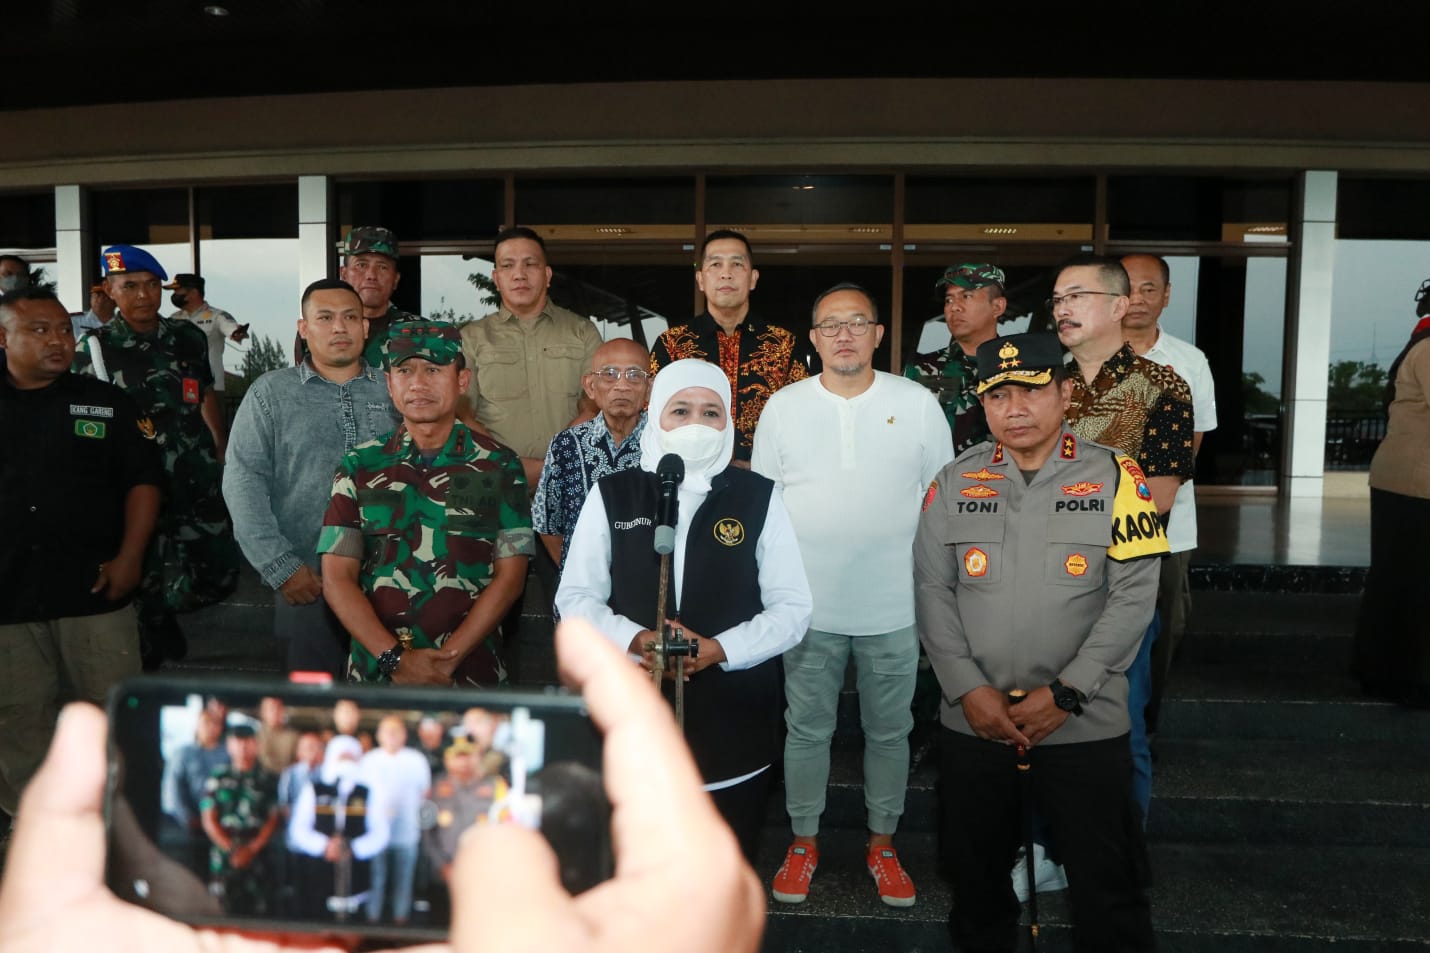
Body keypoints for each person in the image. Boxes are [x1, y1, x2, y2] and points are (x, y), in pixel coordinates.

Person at [0, 617, 765, 953]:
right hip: (310, 846)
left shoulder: (441, 763)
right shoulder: (318, 760)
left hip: (406, 845)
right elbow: (302, 806)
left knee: (403, 894)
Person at [913, 332, 1164, 953]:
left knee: (1109, 888)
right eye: (998, 395)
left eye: (1030, 390)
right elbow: (932, 589)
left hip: (1083, 725)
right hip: (977, 724)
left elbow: (1134, 597)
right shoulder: (955, 479)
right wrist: (967, 689)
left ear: (1066, 392)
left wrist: (1069, 692)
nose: (1015, 408)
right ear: (983, 403)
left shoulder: (1116, 475)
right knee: (975, 884)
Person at [556, 358, 812, 864]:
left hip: (734, 720)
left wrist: (721, 649)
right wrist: (634, 640)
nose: (696, 424)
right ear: (655, 416)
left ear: (729, 421)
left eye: (711, 413)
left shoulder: (759, 496)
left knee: (725, 869)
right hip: (633, 715)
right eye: (681, 410)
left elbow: (792, 607)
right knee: (639, 870)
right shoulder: (614, 493)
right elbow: (576, 597)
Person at [752, 283, 953, 908]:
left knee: (890, 732)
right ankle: (803, 842)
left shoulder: (917, 403)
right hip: (808, 609)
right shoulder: (783, 407)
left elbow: (940, 502)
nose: (845, 335)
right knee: (806, 729)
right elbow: (766, 510)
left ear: (878, 335)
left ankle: (882, 844)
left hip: (894, 606)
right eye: (831, 325)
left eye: (857, 323)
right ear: (813, 338)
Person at [0, 287, 161, 817]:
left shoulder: (107, 403)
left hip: (93, 591)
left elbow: (143, 483)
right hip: (8, 598)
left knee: (110, 712)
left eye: (64, 330)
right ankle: (30, 827)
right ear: (3, 338)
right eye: (39, 330)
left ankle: (117, 824)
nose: (58, 341)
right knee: (18, 718)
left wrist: (130, 558)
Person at [1053, 252, 1193, 825]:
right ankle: (1043, 847)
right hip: (1037, 591)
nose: (1063, 308)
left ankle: (1118, 855)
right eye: (1058, 299)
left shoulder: (1161, 387)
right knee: (1039, 731)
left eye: (1077, 296)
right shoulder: (1040, 382)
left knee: (1121, 730)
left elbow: (1156, 499)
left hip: (1117, 591)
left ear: (1118, 305)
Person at [319, 321, 535, 685]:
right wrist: (395, 660)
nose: (418, 384)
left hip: (470, 675)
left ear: (462, 381)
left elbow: (510, 577)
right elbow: (337, 577)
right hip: (377, 677)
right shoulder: (359, 466)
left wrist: (446, 662)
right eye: (405, 371)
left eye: (433, 370)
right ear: (389, 384)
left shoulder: (499, 465)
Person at [223, 278, 400, 679]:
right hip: (308, 583)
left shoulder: (395, 388)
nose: (339, 327)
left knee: (390, 704)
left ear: (365, 327)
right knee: (312, 706)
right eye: (325, 318)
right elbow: (243, 480)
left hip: (395, 582)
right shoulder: (271, 393)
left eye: (350, 318)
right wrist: (280, 566)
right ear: (304, 328)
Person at [73, 244, 240, 668]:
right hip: (132, 487)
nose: (144, 295)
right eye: (130, 286)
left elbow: (203, 392)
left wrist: (219, 443)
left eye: (151, 285)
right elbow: (84, 421)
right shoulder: (93, 349)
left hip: (193, 476)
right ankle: (146, 642)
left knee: (219, 574)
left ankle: (160, 610)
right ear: (110, 290)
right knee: (136, 578)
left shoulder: (187, 338)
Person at [1120, 253, 1218, 733]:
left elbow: (1190, 447)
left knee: (1165, 628)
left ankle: (1144, 728)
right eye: (1129, 288)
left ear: (1167, 295)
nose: (1138, 299)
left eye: (1149, 289)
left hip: (1167, 528)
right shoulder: (1078, 359)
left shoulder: (1189, 361)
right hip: (1090, 523)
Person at [459, 226, 603, 487]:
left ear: (547, 275)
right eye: (508, 265)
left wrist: (554, 463)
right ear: (496, 278)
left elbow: (594, 407)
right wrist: (511, 466)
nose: (519, 274)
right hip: (496, 483)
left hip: (569, 479)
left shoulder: (583, 332)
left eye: (530, 264)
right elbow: (462, 415)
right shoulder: (471, 338)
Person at [650, 229, 808, 465]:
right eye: (715, 264)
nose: (726, 274)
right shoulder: (672, 343)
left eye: (737, 264)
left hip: (764, 475)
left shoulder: (783, 344)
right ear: (700, 279)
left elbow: (802, 412)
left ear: (753, 278)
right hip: (690, 473)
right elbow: (652, 414)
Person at [1354, 280, 1430, 707]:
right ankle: (1405, 679)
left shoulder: (1422, 340)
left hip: (1405, 481)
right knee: (1412, 584)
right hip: (1417, 482)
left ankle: (1383, 672)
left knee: (1400, 580)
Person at [533, 338, 651, 569]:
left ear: (649, 388)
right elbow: (547, 522)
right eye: (610, 374)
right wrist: (575, 573)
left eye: (634, 375)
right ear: (590, 386)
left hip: (648, 584)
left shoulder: (665, 445)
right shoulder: (565, 444)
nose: (622, 386)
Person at [904, 262, 1008, 457]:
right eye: (949, 300)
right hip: (939, 475)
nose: (955, 307)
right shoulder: (920, 370)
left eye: (966, 296)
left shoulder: (1021, 368)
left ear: (997, 306)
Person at [287, 735, 390, 919]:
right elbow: (298, 829)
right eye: (342, 757)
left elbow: (381, 833)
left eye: (351, 758)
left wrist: (353, 848)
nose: (346, 763)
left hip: (356, 875)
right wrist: (324, 846)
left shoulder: (368, 792)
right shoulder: (314, 790)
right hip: (319, 874)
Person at [294, 226, 418, 368]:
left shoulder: (417, 331)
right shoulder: (316, 329)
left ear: (396, 279)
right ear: (344, 274)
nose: (371, 275)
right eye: (361, 265)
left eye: (382, 267)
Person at [199, 724, 279, 915]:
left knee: (259, 910)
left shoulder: (267, 779)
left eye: (248, 742)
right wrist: (231, 848)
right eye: (237, 742)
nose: (243, 747)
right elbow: (209, 818)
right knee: (220, 909)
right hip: (224, 853)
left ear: (256, 745)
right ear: (229, 746)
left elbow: (272, 820)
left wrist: (251, 850)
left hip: (257, 853)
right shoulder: (218, 777)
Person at [361, 716, 432, 925]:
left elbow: (425, 794)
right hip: (375, 833)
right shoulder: (369, 760)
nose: (391, 735)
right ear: (378, 735)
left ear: (404, 735)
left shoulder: (416, 760)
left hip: (408, 831)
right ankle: (372, 921)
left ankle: (400, 921)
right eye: (387, 730)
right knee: (376, 879)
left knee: (404, 880)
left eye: (396, 730)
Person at [165, 273, 248, 394]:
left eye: (177, 291)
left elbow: (232, 329)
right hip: (179, 386)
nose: (174, 295)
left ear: (193, 293)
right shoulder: (173, 319)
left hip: (210, 388)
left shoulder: (217, 316)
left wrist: (237, 333)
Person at [162, 709, 229, 837]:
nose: (211, 728)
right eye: (206, 723)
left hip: (223, 822)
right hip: (187, 822)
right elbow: (172, 789)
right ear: (197, 725)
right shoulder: (183, 754)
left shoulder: (229, 754)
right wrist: (187, 818)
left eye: (215, 723)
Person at [255, 697, 298, 775]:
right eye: (271, 708)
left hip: (288, 775)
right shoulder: (254, 735)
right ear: (262, 712)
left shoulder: (293, 735)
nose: (275, 711)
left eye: (278, 708)